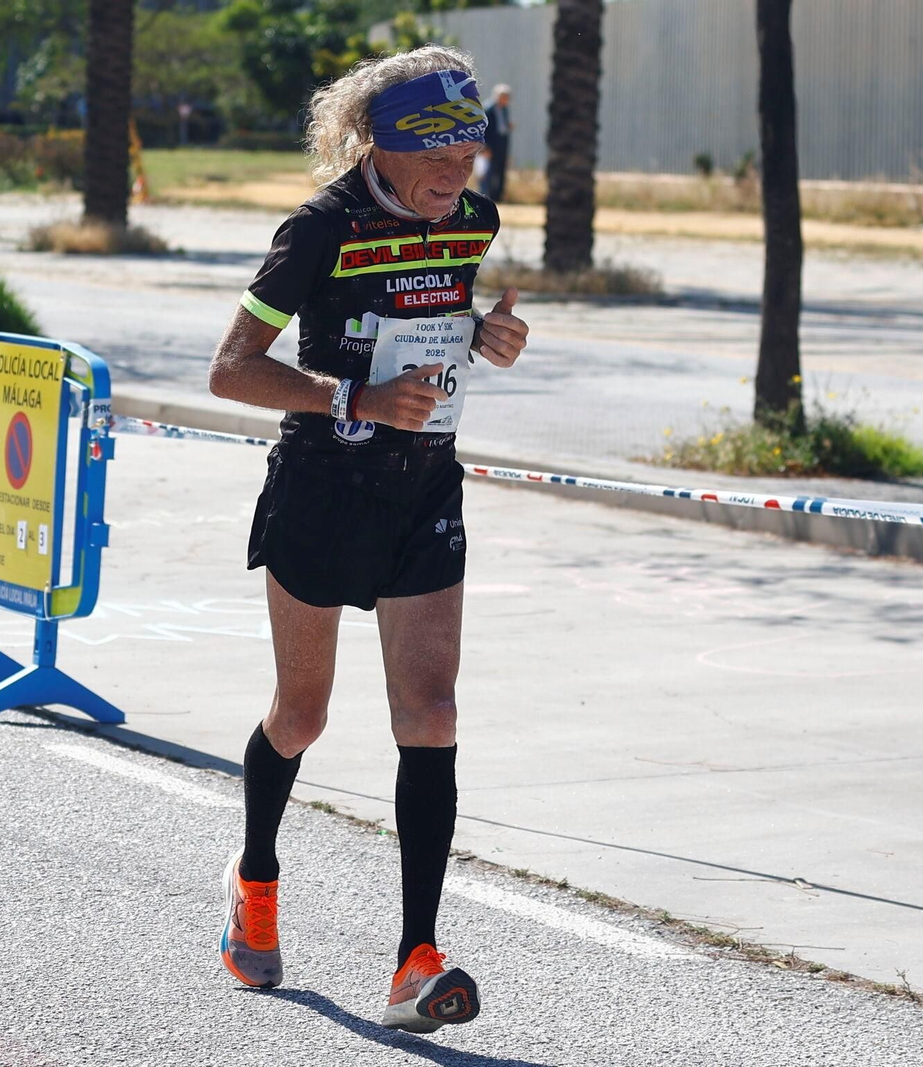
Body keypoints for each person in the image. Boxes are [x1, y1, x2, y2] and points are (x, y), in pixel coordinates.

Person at [207, 45, 530, 1034]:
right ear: (379, 148)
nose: (455, 178)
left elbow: (429, 322)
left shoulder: (472, 223)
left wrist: (483, 336)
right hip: (321, 489)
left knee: (429, 709)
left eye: (469, 155)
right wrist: (355, 395)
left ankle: (413, 961)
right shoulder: (316, 230)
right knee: (300, 716)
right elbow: (230, 370)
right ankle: (254, 876)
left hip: (423, 487)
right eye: (435, 158)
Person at [482, 83, 513, 202]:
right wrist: (485, 147)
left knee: (501, 170)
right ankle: (486, 195)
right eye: (505, 97)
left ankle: (498, 196)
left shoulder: (505, 109)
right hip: (491, 145)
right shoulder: (488, 109)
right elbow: (484, 130)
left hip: (502, 143)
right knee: (489, 171)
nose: (506, 100)